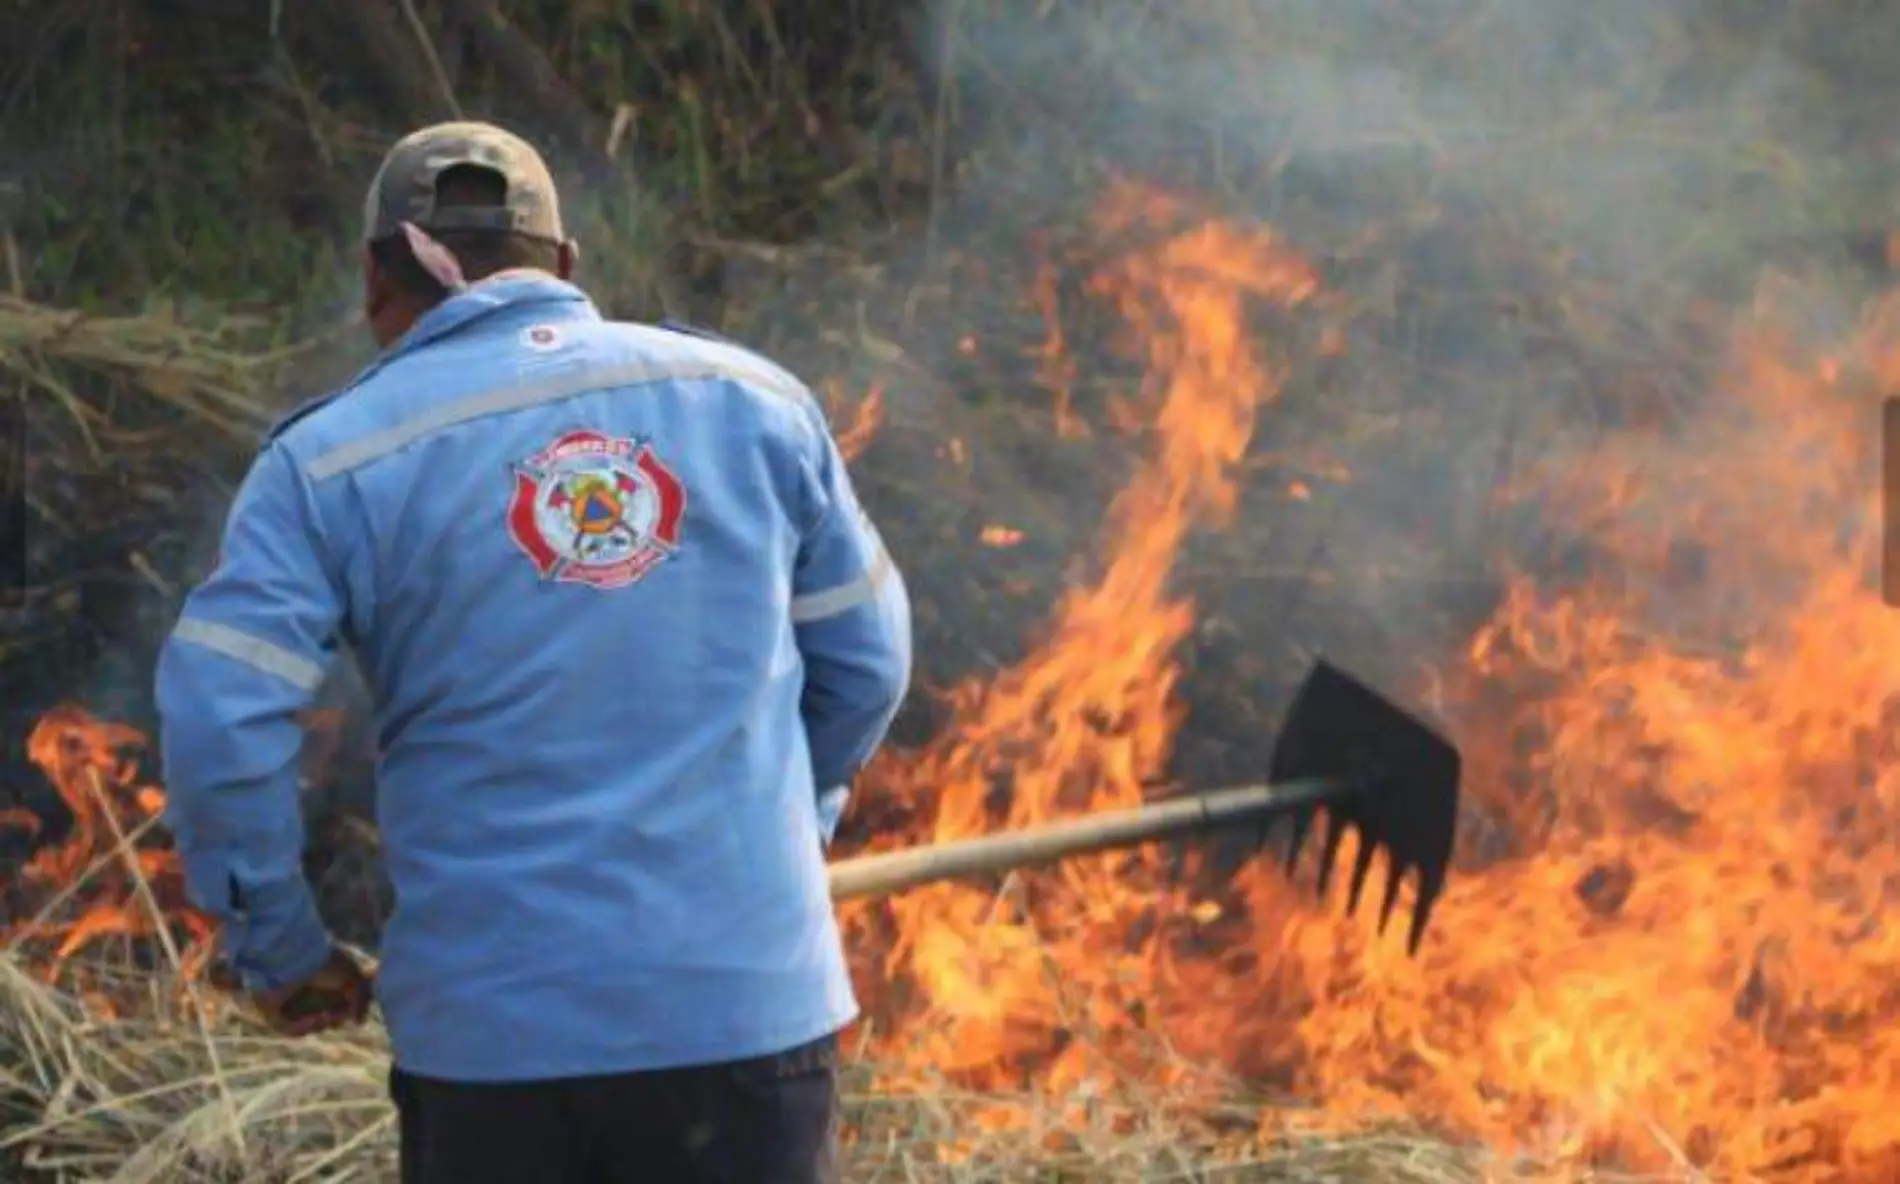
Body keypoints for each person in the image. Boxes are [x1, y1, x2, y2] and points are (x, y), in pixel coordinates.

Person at [154, 120, 913, 1184]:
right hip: (746, 1012)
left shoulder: (329, 460)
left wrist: (278, 949)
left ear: (377, 279)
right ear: (564, 267)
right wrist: (792, 821)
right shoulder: (754, 402)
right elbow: (868, 662)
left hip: (493, 1050)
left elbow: (219, 718)